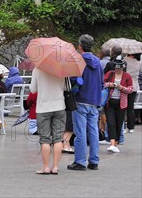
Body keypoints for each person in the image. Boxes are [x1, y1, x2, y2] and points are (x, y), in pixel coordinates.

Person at [68, 34, 103, 171]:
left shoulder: (78, 60)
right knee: (93, 131)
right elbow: (101, 82)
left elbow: (72, 80)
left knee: (80, 132)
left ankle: (80, 161)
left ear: (80, 46)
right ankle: (94, 161)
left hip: (81, 99)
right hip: (94, 100)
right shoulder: (98, 62)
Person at [30, 65, 66, 175]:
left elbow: (33, 89)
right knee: (58, 139)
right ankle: (55, 167)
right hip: (59, 106)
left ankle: (45, 167)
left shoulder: (38, 69)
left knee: (45, 138)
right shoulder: (62, 69)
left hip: (43, 108)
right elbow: (65, 88)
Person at [103, 57, 133, 153]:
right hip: (110, 102)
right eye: (116, 67)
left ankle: (115, 143)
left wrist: (122, 88)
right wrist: (109, 84)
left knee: (119, 123)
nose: (118, 69)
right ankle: (112, 144)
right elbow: (102, 83)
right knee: (111, 122)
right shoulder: (110, 74)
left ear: (123, 67)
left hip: (121, 103)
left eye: (120, 68)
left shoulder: (127, 76)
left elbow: (130, 89)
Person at [124, 53, 141, 131]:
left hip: (126, 84)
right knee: (131, 107)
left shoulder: (125, 60)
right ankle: (131, 127)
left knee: (123, 105)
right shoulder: (139, 61)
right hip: (134, 85)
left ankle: (123, 124)